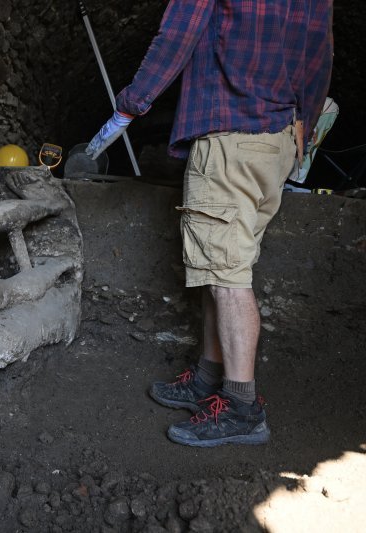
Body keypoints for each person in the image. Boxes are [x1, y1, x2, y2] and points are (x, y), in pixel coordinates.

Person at [85, 0, 333, 447]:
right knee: (227, 267)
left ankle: (241, 408)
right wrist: (305, 124)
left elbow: (176, 37)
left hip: (228, 136)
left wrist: (132, 103)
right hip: (274, 141)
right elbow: (320, 56)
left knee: (225, 277)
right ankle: (207, 379)